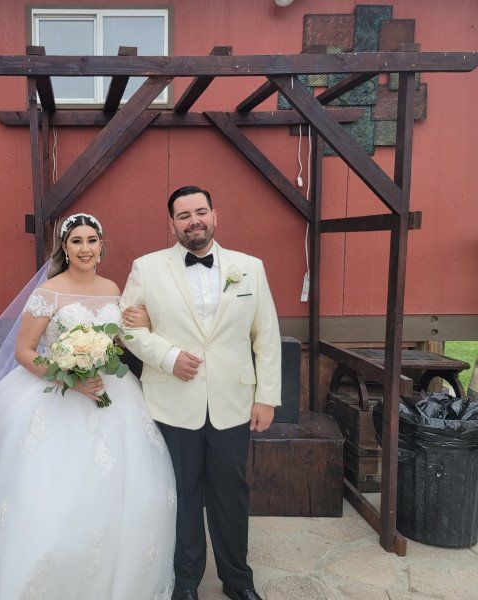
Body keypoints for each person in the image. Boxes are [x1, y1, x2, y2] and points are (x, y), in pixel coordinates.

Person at [0, 213, 177, 599]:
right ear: (64, 248)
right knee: (49, 501)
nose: (85, 248)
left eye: (92, 240)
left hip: (112, 395)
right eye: (76, 241)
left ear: (102, 246)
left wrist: (145, 322)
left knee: (129, 495)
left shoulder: (111, 288)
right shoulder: (49, 293)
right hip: (55, 394)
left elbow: (119, 342)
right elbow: (24, 351)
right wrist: (67, 378)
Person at [120, 186, 281, 600]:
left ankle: (238, 581)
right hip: (171, 401)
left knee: (232, 494)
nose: (194, 220)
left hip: (234, 402)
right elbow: (129, 328)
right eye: (183, 215)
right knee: (182, 493)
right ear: (171, 223)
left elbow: (266, 336)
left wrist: (267, 396)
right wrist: (169, 356)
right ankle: (186, 581)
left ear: (215, 215)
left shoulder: (250, 267)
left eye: (200, 212)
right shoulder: (146, 268)